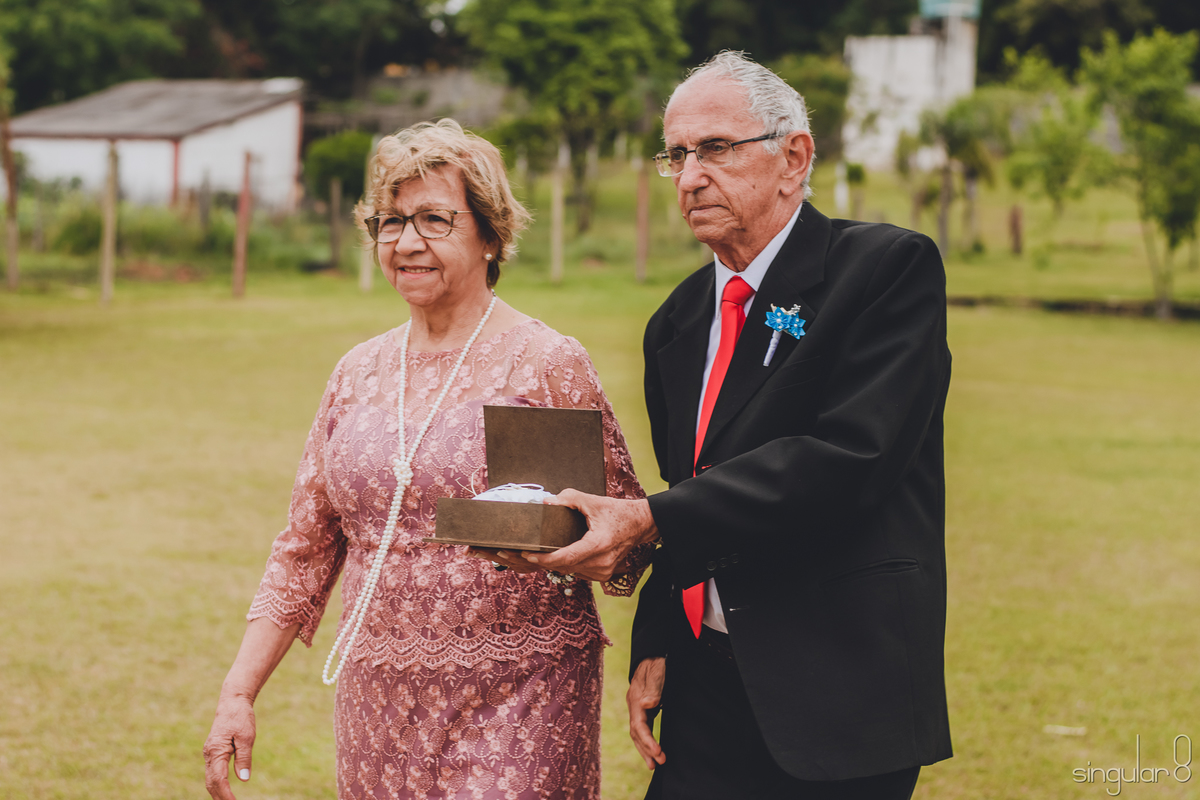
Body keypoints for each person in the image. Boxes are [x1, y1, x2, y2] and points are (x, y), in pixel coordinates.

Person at [533, 51, 953, 799]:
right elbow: (689, 491)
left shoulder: (887, 271)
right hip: (704, 689)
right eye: (677, 155)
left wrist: (647, 518)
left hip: (839, 691)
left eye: (716, 149)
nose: (691, 176)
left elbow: (849, 457)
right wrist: (657, 638)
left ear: (795, 157)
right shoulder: (676, 322)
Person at [203, 119, 648, 800]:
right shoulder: (356, 372)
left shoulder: (545, 362)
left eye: (434, 219)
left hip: (521, 691)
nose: (407, 242)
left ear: (490, 233)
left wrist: (573, 544)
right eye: (391, 221)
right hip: (379, 699)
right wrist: (239, 691)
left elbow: (628, 534)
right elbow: (304, 547)